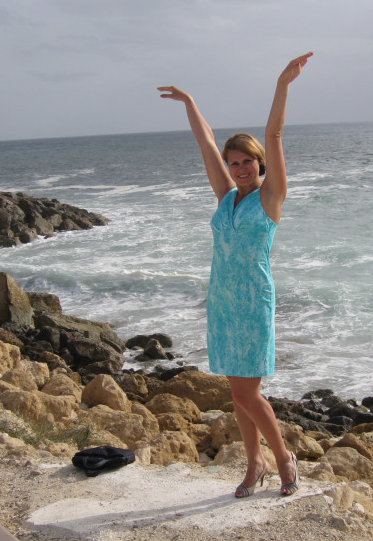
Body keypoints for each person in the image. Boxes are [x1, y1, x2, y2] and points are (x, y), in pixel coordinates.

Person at [158, 52, 313, 498]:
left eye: (248, 161)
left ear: (260, 163)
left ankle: (282, 458)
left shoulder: (271, 198)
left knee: (248, 395)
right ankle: (254, 463)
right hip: (222, 303)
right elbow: (205, 141)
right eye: (234, 162)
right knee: (237, 394)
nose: (241, 168)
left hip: (253, 303)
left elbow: (275, 133)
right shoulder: (225, 196)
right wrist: (190, 103)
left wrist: (282, 84)